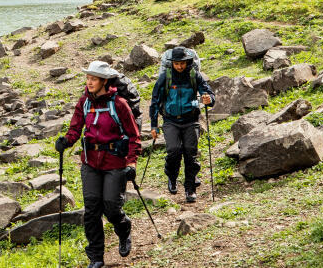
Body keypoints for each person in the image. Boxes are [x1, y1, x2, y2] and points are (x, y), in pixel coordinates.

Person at [55, 61, 141, 268]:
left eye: (94, 78)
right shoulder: (84, 101)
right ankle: (96, 257)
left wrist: (131, 163)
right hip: (90, 162)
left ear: (104, 81)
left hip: (114, 162)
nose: (89, 82)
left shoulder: (119, 103)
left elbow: (133, 136)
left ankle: (123, 229)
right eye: (88, 78)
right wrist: (66, 141)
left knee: (111, 208)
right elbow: (75, 128)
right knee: (92, 210)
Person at [148, 47, 215, 203]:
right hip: (170, 120)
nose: (179, 66)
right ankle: (171, 175)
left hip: (191, 120)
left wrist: (208, 99)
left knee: (191, 153)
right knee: (173, 150)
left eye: (182, 63)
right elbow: (155, 101)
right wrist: (153, 125)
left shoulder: (194, 75)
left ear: (188, 62)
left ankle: (190, 189)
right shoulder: (165, 77)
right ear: (172, 63)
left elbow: (209, 93)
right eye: (177, 63)